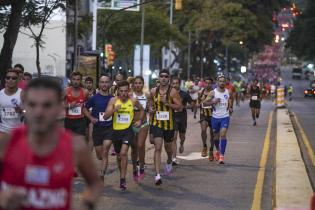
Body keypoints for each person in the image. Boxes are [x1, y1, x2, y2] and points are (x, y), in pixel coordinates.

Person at [0, 77, 101, 210]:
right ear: (24, 105)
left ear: (60, 107)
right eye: (32, 104)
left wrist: (87, 204)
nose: (39, 112)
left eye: (47, 105)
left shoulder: (75, 146)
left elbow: (94, 184)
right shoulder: (7, 143)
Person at [103, 80, 144, 190]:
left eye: (126, 91)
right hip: (116, 131)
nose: (123, 93)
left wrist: (140, 120)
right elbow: (105, 116)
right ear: (118, 91)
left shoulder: (133, 100)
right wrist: (113, 110)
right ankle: (122, 174)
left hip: (128, 130)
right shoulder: (113, 100)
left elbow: (141, 109)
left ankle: (122, 179)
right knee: (118, 156)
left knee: (123, 153)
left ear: (129, 90)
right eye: (121, 91)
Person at [149, 69, 182, 185]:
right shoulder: (153, 91)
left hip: (169, 125)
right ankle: (157, 175)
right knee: (157, 147)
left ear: (169, 79)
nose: (163, 78)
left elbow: (180, 107)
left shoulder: (173, 92)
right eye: (161, 76)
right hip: (157, 123)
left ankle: (169, 160)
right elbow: (150, 104)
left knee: (168, 148)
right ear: (159, 78)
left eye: (166, 76)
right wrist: (150, 109)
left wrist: (168, 103)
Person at [83, 75, 113, 183]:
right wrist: (91, 118)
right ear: (99, 84)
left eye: (106, 82)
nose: (104, 84)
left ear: (109, 84)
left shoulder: (113, 98)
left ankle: (102, 174)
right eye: (102, 82)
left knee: (105, 152)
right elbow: (85, 109)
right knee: (99, 155)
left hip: (109, 128)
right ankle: (101, 164)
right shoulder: (94, 98)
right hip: (97, 129)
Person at [204, 75, 233, 164]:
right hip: (215, 117)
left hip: (225, 117)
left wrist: (231, 107)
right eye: (220, 81)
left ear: (225, 82)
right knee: (216, 137)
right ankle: (218, 150)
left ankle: (222, 156)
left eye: (223, 81)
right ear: (217, 82)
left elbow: (230, 100)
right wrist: (213, 102)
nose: (222, 83)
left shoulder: (228, 92)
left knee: (223, 134)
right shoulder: (213, 92)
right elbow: (204, 103)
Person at [171, 77, 194, 165]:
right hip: (173, 117)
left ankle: (181, 143)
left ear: (179, 84)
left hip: (182, 118)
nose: (174, 85)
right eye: (173, 83)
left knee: (182, 136)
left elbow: (192, 104)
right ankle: (174, 158)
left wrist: (184, 107)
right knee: (174, 137)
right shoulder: (169, 94)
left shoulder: (184, 94)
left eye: (176, 83)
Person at [130, 76, 149, 182]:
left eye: (140, 83)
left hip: (143, 123)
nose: (138, 85)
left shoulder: (147, 95)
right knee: (133, 148)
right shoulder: (129, 95)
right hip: (131, 124)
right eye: (136, 83)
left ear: (143, 84)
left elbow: (151, 107)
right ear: (133, 84)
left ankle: (141, 166)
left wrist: (151, 108)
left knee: (140, 145)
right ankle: (134, 168)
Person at [64, 72, 88, 137]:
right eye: (74, 79)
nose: (75, 81)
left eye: (78, 79)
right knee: (69, 142)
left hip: (80, 120)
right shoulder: (66, 91)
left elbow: (86, 105)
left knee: (79, 141)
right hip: (69, 120)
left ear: (80, 80)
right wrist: (69, 106)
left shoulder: (85, 92)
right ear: (71, 80)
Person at [0, 69, 24, 135]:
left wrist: (21, 111)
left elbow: (29, 113)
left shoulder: (22, 94)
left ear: (18, 80)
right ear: (5, 80)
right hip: (3, 131)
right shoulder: (0, 94)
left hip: (18, 132)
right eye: (8, 78)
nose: (10, 80)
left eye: (14, 78)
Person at [198, 77, 217, 160]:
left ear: (212, 84)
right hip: (203, 115)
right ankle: (204, 146)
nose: (208, 84)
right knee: (203, 130)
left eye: (209, 83)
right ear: (204, 83)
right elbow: (198, 103)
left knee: (212, 133)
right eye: (206, 83)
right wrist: (199, 104)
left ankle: (211, 151)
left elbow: (217, 102)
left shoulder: (215, 93)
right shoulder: (200, 92)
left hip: (213, 115)